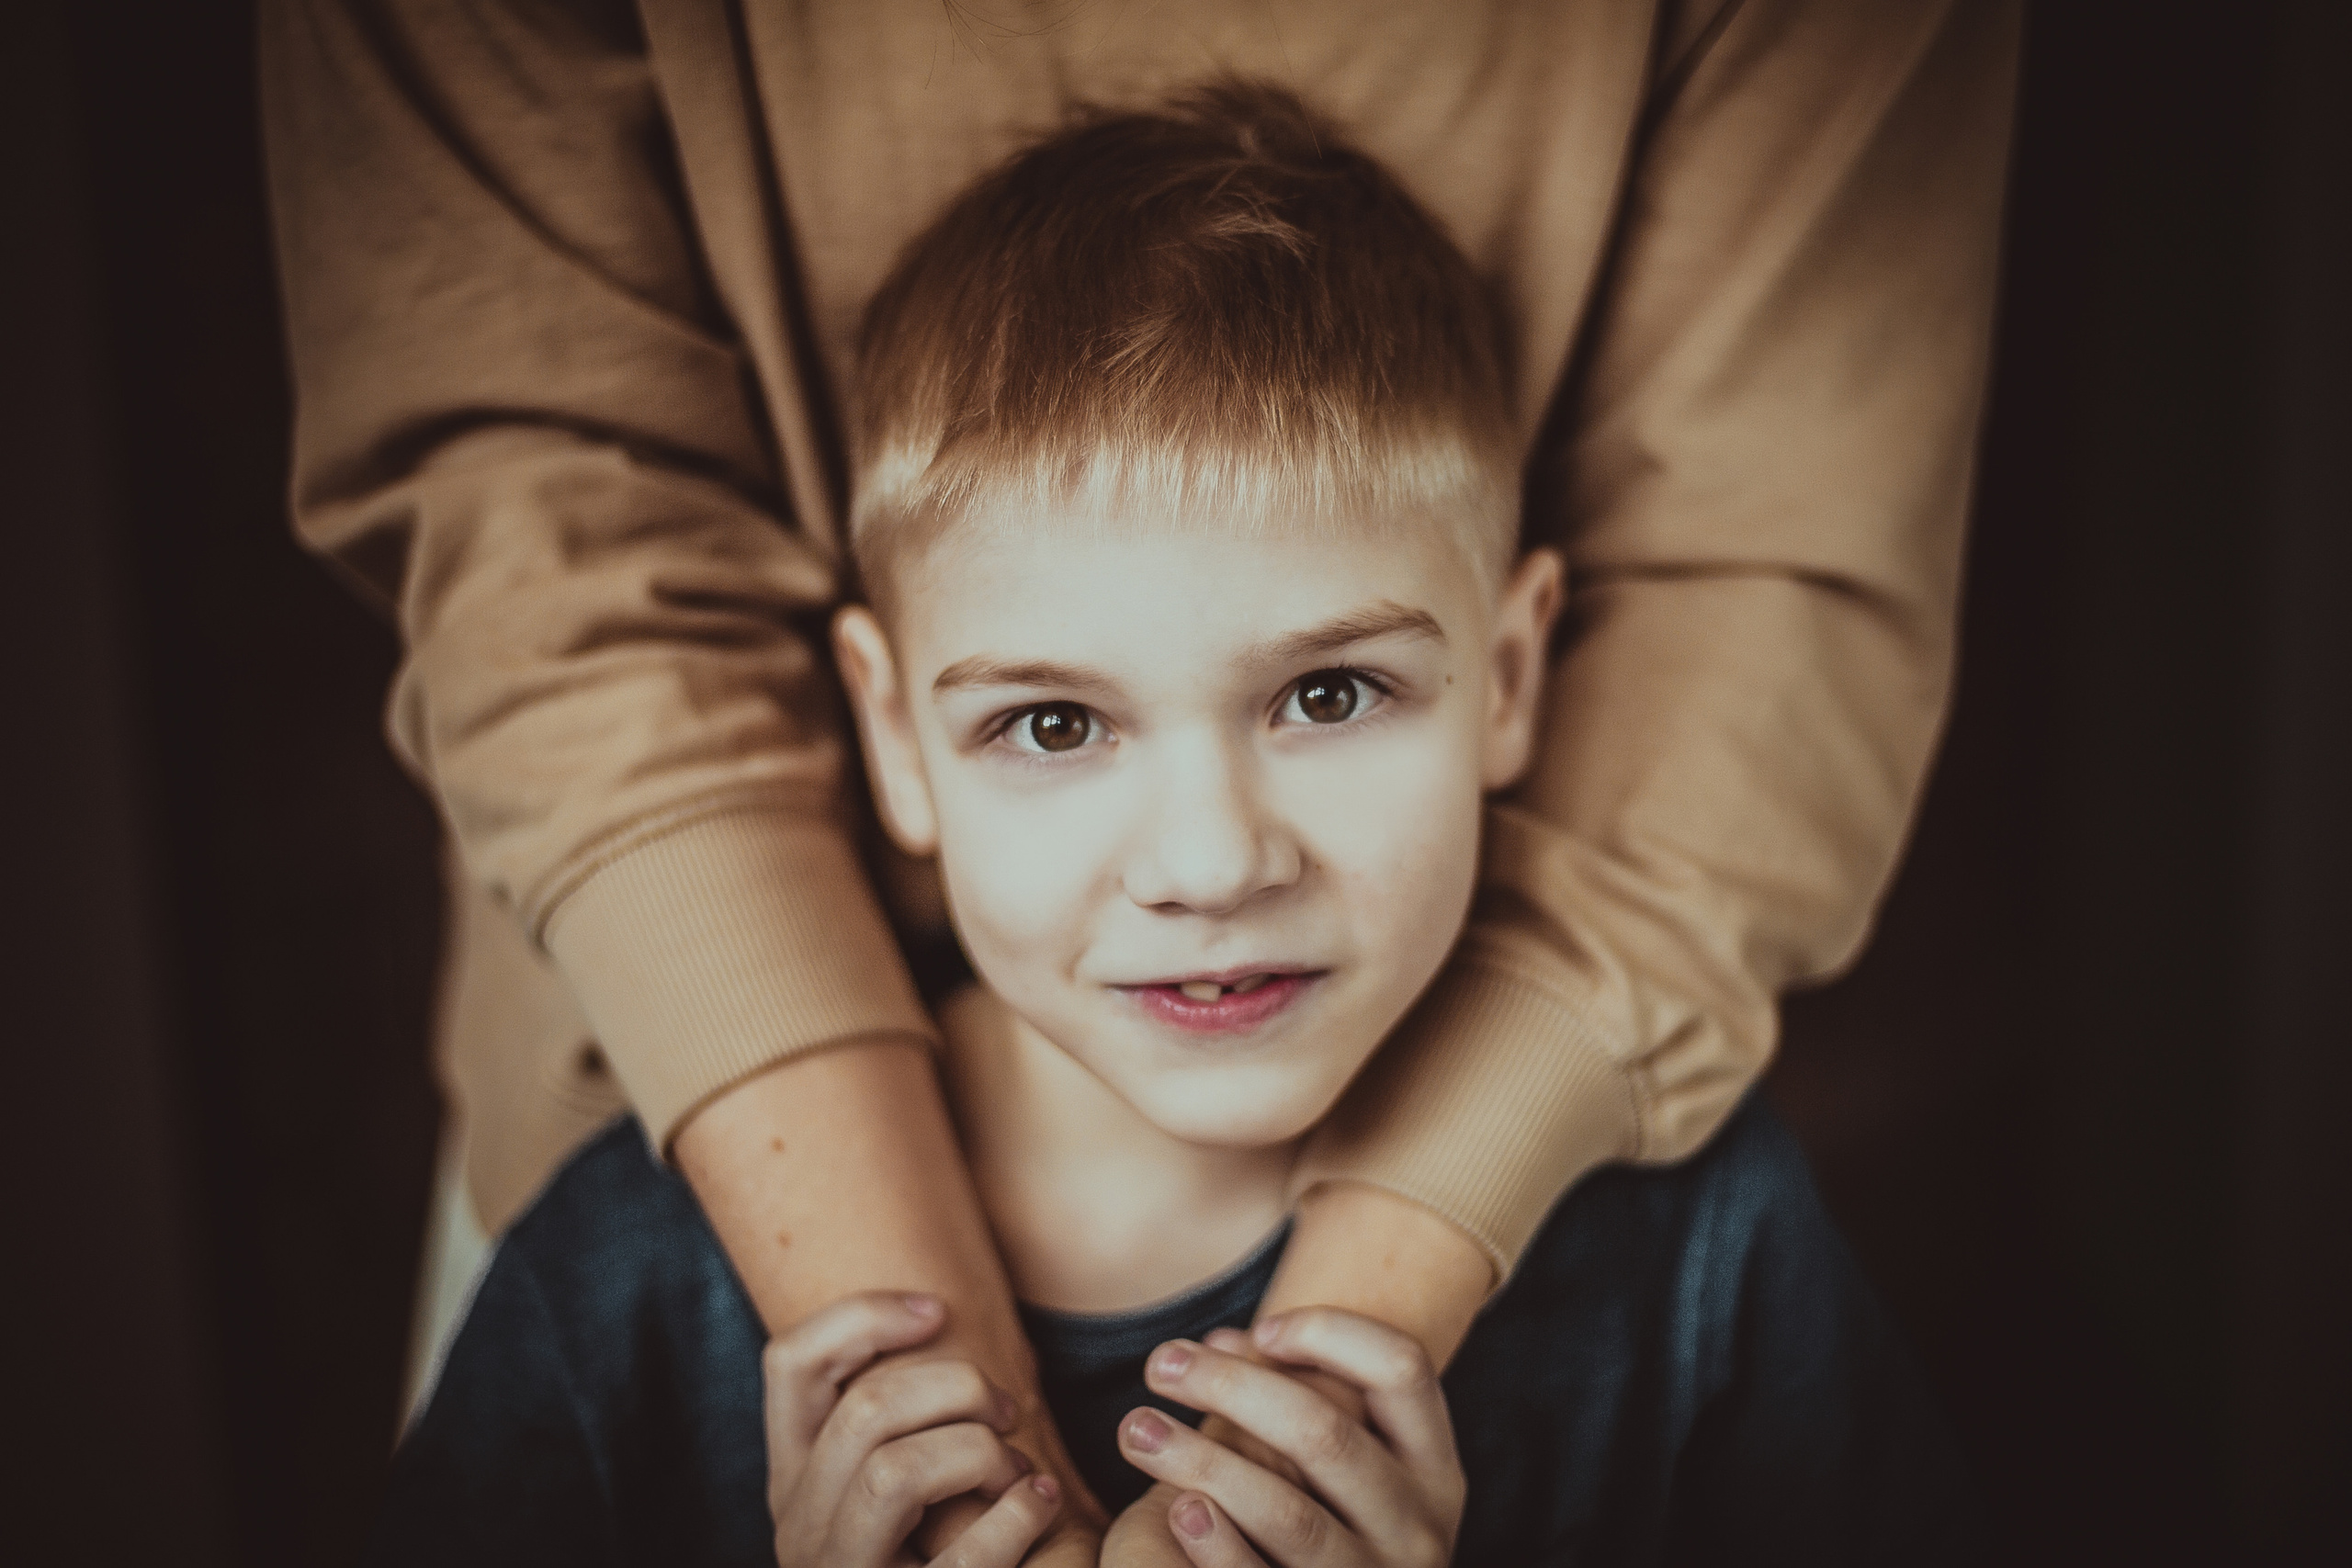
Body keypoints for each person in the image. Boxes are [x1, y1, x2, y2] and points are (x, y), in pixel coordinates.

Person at [262, 2, 2017, 1556]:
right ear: (892, 737)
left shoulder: (1703, 1248)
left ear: (1509, 676)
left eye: (1330, 691)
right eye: (1051, 723)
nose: (1208, 858)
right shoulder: (622, 1289)